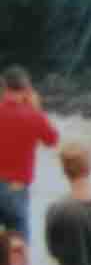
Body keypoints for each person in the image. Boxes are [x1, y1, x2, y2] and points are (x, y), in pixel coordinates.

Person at [0, 66, 57, 240]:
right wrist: (37, 109)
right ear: (27, 89)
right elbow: (52, 140)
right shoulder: (33, 116)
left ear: (4, 86)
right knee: (19, 245)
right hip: (16, 188)